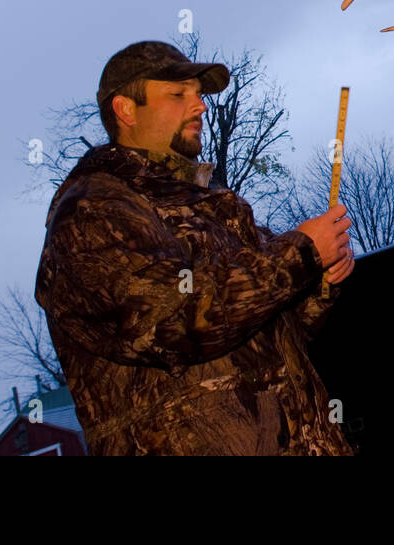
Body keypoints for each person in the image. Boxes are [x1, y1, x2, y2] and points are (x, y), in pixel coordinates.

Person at [34, 41, 355, 455]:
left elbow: (280, 330)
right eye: (177, 94)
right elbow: (169, 320)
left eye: (198, 94)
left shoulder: (209, 207)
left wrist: (319, 280)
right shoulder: (91, 211)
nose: (200, 106)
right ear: (126, 110)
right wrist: (300, 255)